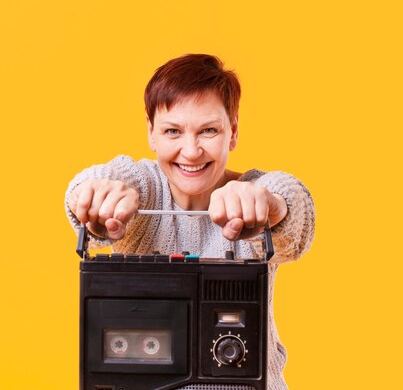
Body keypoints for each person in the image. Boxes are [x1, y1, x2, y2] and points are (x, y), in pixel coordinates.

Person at [64, 54, 315, 390]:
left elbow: (292, 207)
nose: (191, 150)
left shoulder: (254, 191)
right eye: (173, 131)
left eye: (208, 130)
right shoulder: (144, 188)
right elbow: (99, 180)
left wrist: (270, 205)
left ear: (233, 132)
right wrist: (93, 194)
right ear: (152, 134)